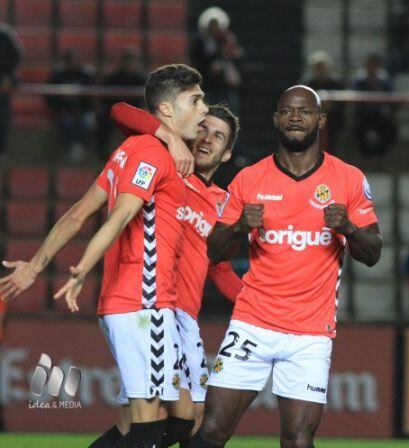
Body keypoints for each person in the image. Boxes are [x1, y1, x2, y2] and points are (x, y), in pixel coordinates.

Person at [2, 64, 208, 447]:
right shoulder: (150, 153)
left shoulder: (128, 149)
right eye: (195, 101)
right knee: (151, 426)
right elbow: (123, 214)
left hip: (130, 302)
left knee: (168, 421)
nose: (204, 110)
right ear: (165, 109)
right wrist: (83, 268)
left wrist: (34, 266)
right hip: (144, 301)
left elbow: (77, 213)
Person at [187, 85, 383, 448]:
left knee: (298, 439)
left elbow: (372, 253)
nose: (296, 117)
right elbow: (214, 250)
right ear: (276, 119)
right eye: (288, 111)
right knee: (211, 430)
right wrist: (240, 227)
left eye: (305, 111)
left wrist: (349, 228)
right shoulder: (249, 179)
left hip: (310, 334)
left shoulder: (349, 179)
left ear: (320, 120)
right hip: (252, 325)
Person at [90, 102, 244, 448]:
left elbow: (218, 268)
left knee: (158, 421)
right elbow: (118, 111)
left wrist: (262, 304)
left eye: (218, 136)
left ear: (227, 153)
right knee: (171, 420)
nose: (207, 139)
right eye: (203, 128)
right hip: (154, 305)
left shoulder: (224, 204)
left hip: (183, 314)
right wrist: (169, 137)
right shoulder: (167, 169)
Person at [46, 49, 96, 163]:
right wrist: (59, 110)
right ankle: (70, 150)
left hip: (83, 111)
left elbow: (92, 98)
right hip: (64, 111)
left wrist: (85, 110)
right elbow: (51, 97)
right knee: (66, 123)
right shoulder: (58, 75)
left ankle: (83, 151)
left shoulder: (85, 75)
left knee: (87, 123)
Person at [191, 6, 243, 113]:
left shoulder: (228, 41)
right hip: (207, 86)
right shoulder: (200, 43)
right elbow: (196, 61)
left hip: (225, 86)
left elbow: (238, 59)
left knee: (230, 114)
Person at [96, 47, 146, 156]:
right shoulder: (113, 78)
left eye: (133, 61)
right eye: (127, 60)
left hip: (136, 113)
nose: (130, 64)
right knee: (102, 120)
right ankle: (103, 153)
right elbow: (104, 98)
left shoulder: (142, 79)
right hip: (114, 113)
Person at [351, 54, 397, 164]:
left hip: (380, 115)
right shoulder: (360, 80)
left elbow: (391, 96)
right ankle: (367, 156)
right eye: (369, 64)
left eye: (374, 64)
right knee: (357, 129)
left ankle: (379, 156)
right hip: (364, 115)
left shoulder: (384, 80)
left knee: (391, 128)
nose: (371, 67)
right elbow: (354, 96)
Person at [305, 51, 345, 153]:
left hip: (333, 121)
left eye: (323, 67)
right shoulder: (307, 85)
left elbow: (342, 105)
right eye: (317, 67)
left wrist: (331, 106)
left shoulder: (337, 85)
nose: (320, 70)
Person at [0, 21, 22, 162]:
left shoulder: (5, 34)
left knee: (2, 117)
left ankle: (1, 151)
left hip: (3, 83)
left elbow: (17, 55)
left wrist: (9, 76)